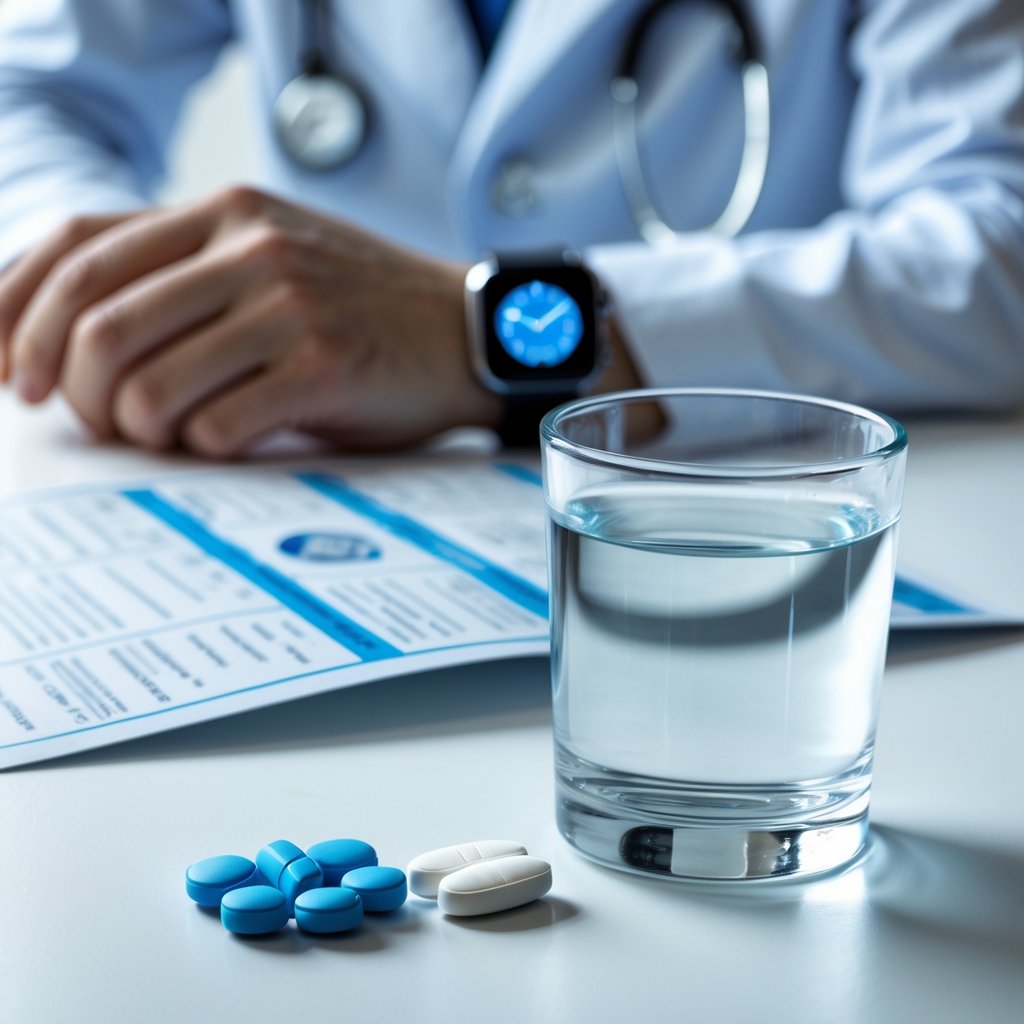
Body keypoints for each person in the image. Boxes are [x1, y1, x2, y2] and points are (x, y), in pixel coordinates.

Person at [0, 0, 1022, 457]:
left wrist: (479, 335)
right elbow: (31, 91)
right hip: (317, 486)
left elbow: (997, 244)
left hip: (751, 509)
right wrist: (123, 290)